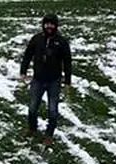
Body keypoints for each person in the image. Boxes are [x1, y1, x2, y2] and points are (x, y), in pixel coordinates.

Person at [20, 13, 73, 146]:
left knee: (52, 110)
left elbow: (67, 62)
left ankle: (49, 135)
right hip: (37, 80)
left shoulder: (61, 42)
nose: (49, 26)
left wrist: (67, 81)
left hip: (54, 81)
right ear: (43, 24)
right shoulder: (36, 39)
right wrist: (23, 72)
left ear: (56, 25)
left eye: (52, 24)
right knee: (32, 108)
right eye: (47, 23)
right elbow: (27, 55)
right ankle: (32, 128)